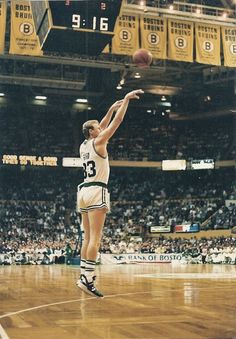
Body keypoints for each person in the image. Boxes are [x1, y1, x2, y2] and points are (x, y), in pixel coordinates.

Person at [76, 89, 144, 297]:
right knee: (96, 237)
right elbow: (117, 122)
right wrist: (125, 100)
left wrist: (109, 110)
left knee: (87, 238)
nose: (101, 127)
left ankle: (82, 275)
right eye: (97, 127)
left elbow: (104, 124)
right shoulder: (99, 141)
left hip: (83, 190)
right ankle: (88, 279)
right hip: (97, 189)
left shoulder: (84, 145)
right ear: (92, 132)